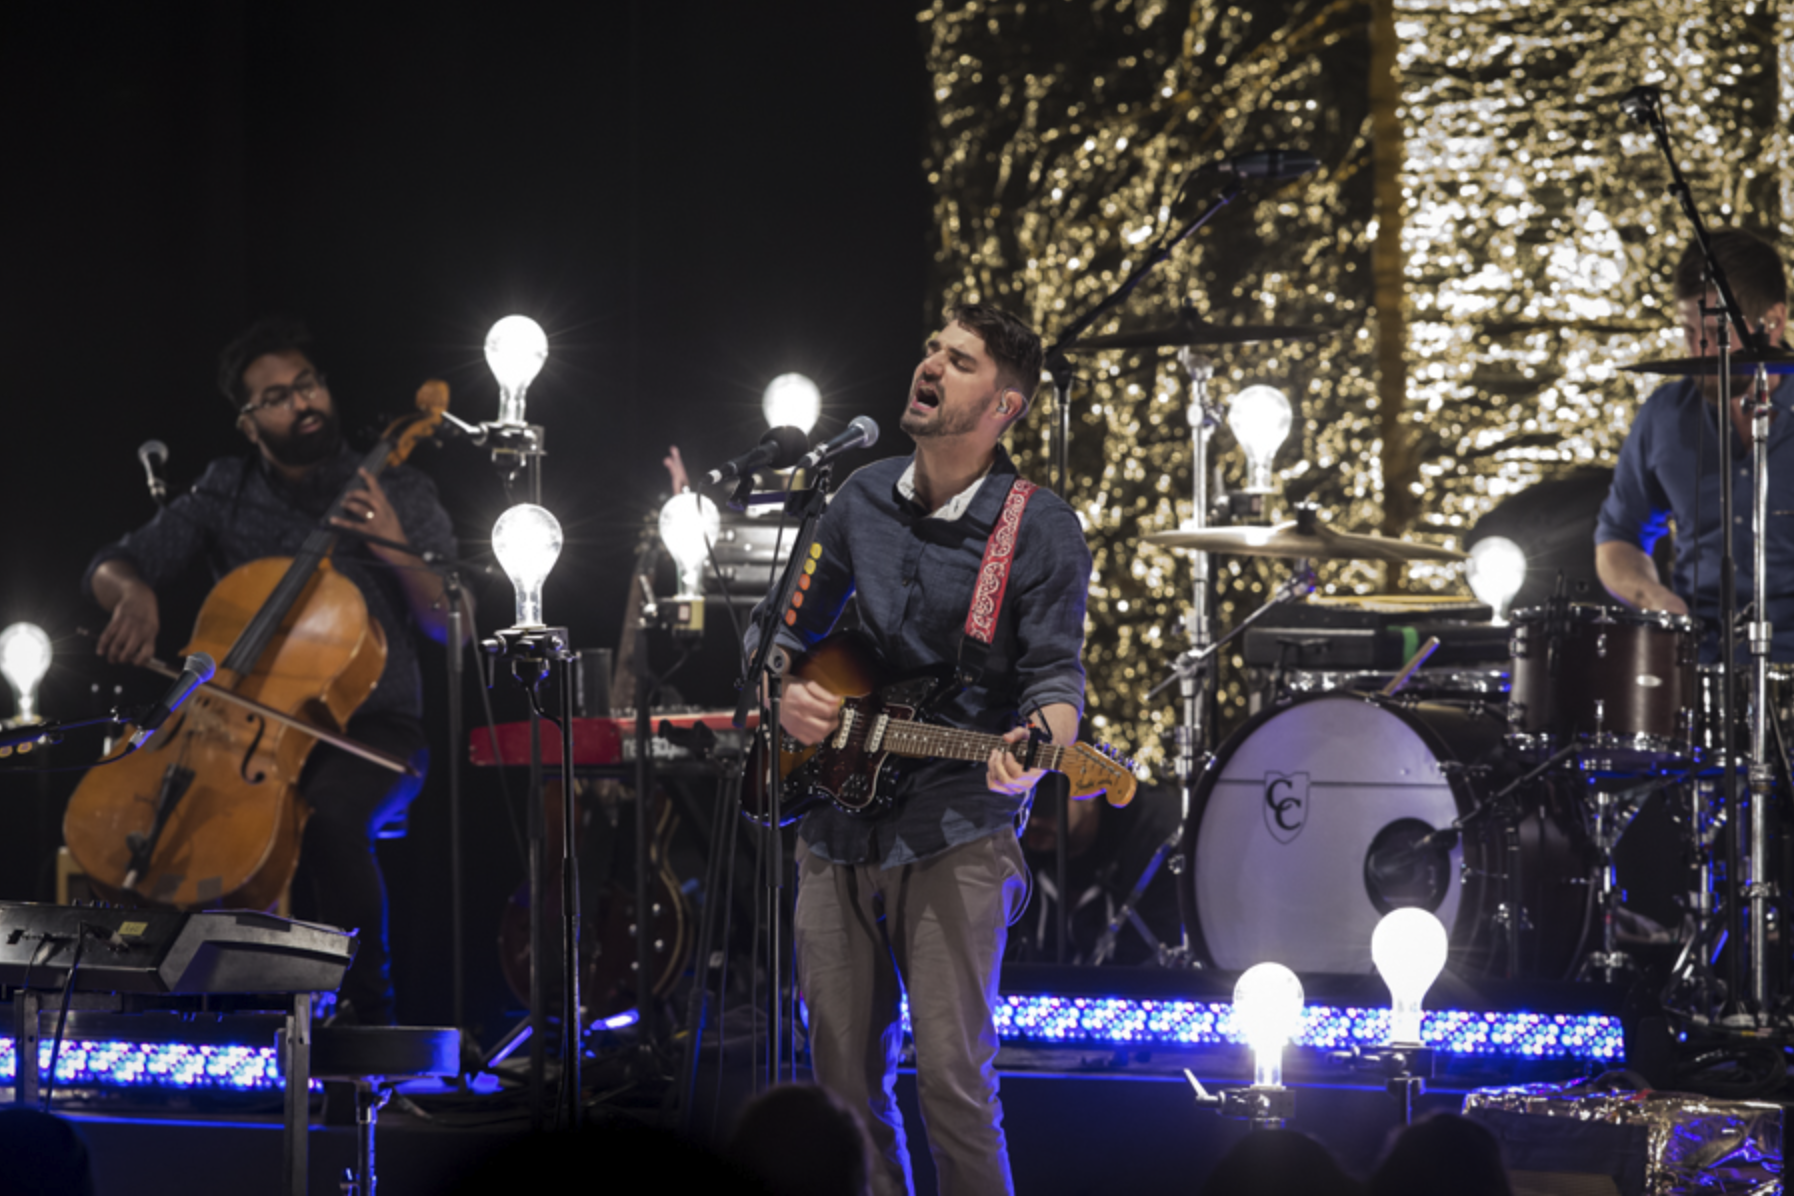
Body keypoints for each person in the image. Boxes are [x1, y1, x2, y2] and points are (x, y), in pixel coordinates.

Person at [745, 303, 1094, 1196]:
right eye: (933, 348)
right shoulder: (858, 496)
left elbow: (1056, 680)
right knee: (841, 1091)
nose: (930, 364)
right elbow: (779, 630)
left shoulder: (1038, 526)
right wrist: (786, 690)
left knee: (953, 1085)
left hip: (958, 823)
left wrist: (1039, 743)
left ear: (1005, 406)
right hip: (834, 817)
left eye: (960, 360)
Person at [85, 316, 458, 1025]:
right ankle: (177, 1011)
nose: (302, 402)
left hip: (374, 730)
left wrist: (392, 542)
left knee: (327, 816)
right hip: (242, 725)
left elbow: (450, 621)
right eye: (278, 396)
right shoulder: (225, 489)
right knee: (163, 818)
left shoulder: (397, 488)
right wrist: (132, 592)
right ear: (248, 422)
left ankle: (366, 1011)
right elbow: (111, 563)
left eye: (307, 384)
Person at [1596, 228, 1794, 657]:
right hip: (1697, 660)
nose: (1696, 349)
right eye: (1687, 330)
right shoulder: (1665, 414)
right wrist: (1653, 597)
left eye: (1713, 333)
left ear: (1773, 322)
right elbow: (1618, 536)